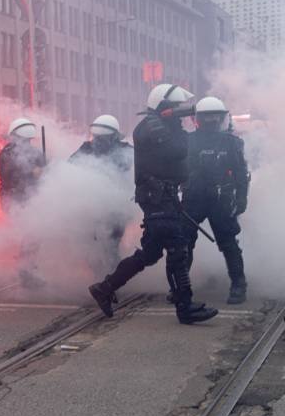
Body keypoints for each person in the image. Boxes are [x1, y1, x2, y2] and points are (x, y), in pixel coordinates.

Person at [88, 84, 219, 325]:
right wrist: (175, 127)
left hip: (163, 197)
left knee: (150, 253)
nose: (179, 113)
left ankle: (104, 288)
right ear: (163, 106)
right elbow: (179, 151)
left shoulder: (160, 126)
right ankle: (185, 306)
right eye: (175, 107)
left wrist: (173, 123)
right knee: (178, 250)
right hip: (156, 197)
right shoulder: (150, 127)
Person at [169, 96, 250, 304]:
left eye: (215, 117)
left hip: (220, 200)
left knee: (229, 243)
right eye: (207, 117)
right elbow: (174, 171)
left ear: (222, 118)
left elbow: (241, 174)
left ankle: (239, 286)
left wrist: (242, 198)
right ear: (198, 119)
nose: (212, 121)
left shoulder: (232, 143)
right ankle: (180, 288)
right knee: (184, 244)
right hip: (193, 200)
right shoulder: (187, 141)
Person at [70, 114, 134, 269]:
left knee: (112, 244)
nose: (98, 141)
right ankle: (100, 272)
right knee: (92, 243)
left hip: (117, 206)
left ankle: (113, 274)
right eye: (96, 137)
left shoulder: (125, 150)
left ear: (113, 136)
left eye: (102, 138)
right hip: (93, 205)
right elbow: (69, 167)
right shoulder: (87, 148)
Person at [0, 118, 45, 215]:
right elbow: (11, 175)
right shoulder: (6, 155)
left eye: (28, 140)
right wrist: (32, 171)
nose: (28, 143)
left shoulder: (36, 153)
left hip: (32, 199)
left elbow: (45, 172)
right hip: (14, 201)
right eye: (26, 140)